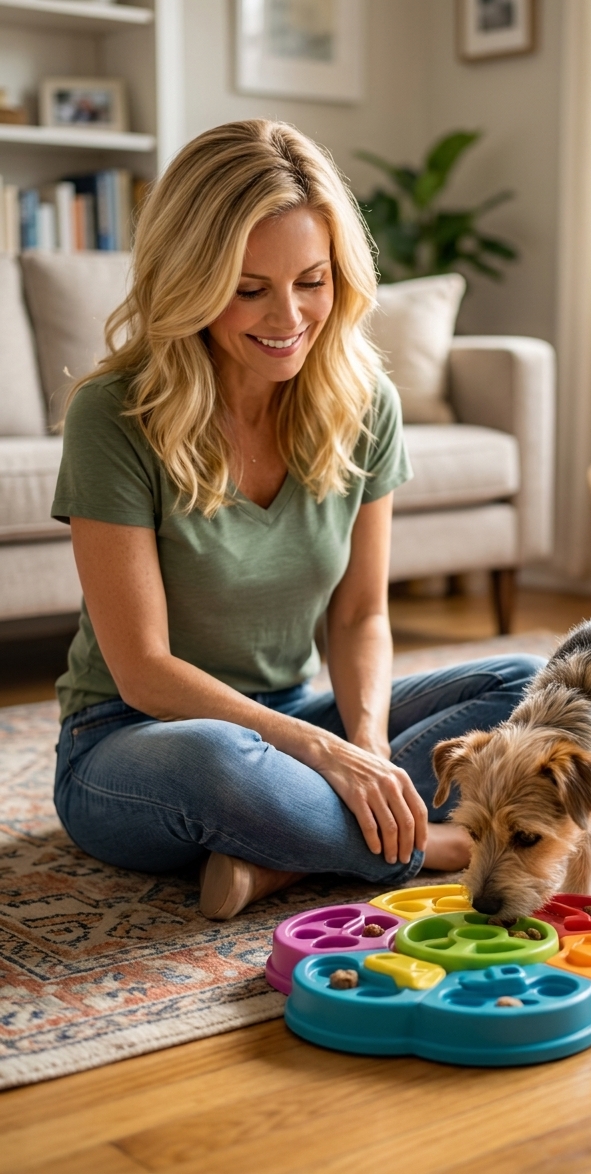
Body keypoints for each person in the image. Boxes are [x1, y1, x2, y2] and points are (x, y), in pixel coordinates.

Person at [51, 119, 543, 920]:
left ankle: (279, 858)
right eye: (249, 288)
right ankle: (434, 845)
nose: (288, 317)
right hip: (138, 740)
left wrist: (369, 749)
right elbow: (141, 668)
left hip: (286, 714)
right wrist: (325, 753)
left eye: (310, 281)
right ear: (190, 281)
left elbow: (360, 615)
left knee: (521, 686)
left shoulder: (363, 400)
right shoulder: (115, 414)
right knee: (221, 764)